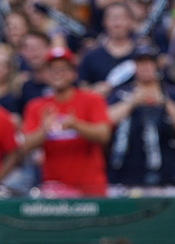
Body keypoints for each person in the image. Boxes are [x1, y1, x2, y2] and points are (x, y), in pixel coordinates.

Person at [22, 47, 112, 197]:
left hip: (90, 187)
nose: (58, 74)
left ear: (73, 73)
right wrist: (43, 130)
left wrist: (76, 125)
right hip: (54, 189)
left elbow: (104, 135)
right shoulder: (36, 106)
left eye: (63, 69)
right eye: (52, 70)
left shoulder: (92, 100)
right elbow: (24, 146)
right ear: (46, 74)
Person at [106, 44, 175, 187]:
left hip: (165, 171)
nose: (145, 67)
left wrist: (164, 103)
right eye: (141, 63)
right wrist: (132, 102)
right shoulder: (120, 92)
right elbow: (105, 120)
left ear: (157, 65)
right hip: (125, 170)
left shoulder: (170, 93)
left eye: (150, 63)